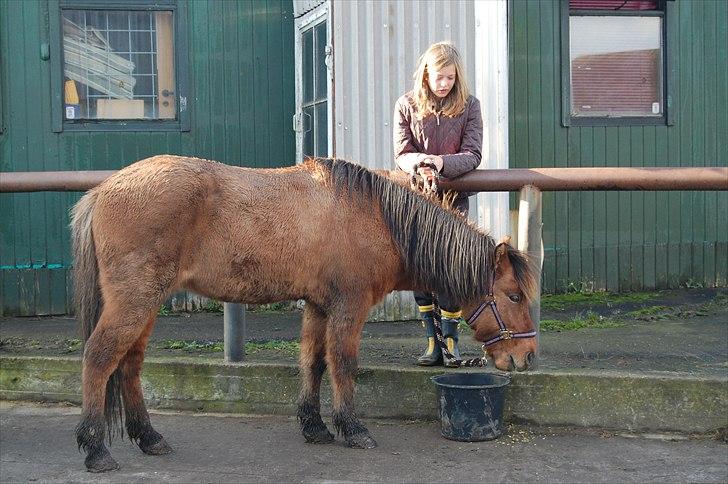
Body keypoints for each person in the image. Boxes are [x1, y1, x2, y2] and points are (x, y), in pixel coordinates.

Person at [392, 41, 483, 367]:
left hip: (453, 202)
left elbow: (473, 154)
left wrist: (441, 163)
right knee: (421, 273)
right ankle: (431, 343)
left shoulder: (470, 106)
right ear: (426, 74)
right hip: (416, 201)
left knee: (448, 273)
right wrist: (420, 162)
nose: (444, 84)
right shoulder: (406, 105)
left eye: (450, 77)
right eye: (439, 77)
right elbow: (401, 154)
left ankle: (451, 343)